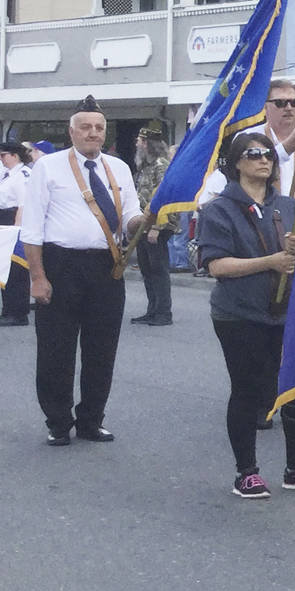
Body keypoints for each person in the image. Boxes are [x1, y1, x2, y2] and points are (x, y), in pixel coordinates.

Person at [194, 129, 295, 499]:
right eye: (254, 154)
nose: (264, 159)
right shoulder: (218, 209)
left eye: (268, 153)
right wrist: (271, 260)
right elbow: (217, 266)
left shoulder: (287, 205)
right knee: (248, 391)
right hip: (240, 315)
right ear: (237, 163)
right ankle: (246, 472)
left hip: (288, 315)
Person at [20, 98, 145, 445]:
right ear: (71, 130)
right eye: (86, 127)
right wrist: (38, 277)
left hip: (106, 266)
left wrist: (145, 222)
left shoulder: (118, 168)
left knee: (102, 349)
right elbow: (32, 227)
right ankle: (58, 422)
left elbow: (130, 214)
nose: (93, 133)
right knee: (56, 350)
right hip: (60, 265)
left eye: (99, 127)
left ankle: (91, 419)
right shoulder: (50, 167)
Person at [199, 77, 295, 205]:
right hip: (259, 219)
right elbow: (233, 176)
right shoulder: (248, 137)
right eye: (280, 103)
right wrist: (286, 148)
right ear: (265, 107)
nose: (288, 107)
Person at [129, 128, 174, 326]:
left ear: (147, 143)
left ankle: (164, 313)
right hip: (142, 225)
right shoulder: (144, 166)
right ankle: (152, 309)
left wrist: (157, 226)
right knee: (147, 269)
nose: (137, 143)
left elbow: (165, 196)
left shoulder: (161, 164)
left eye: (139, 140)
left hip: (158, 226)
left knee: (158, 269)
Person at [0, 140, 31, 325]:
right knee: (4, 269)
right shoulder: (8, 175)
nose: (1, 159)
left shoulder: (23, 175)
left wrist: (18, 231)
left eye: (3, 155)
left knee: (16, 270)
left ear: (14, 155)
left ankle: (18, 313)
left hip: (14, 222)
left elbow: (24, 204)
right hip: (5, 221)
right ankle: (8, 309)